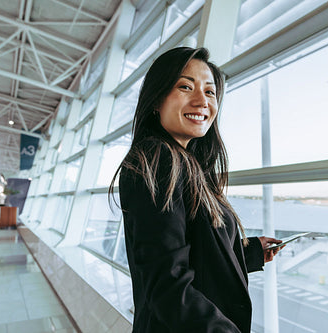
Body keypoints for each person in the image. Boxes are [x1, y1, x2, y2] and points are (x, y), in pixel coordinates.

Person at [110, 47, 283, 333]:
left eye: (210, 92)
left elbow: (187, 251)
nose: (202, 100)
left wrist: (249, 252)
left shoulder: (186, 164)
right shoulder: (158, 161)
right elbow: (168, 285)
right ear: (156, 99)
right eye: (185, 87)